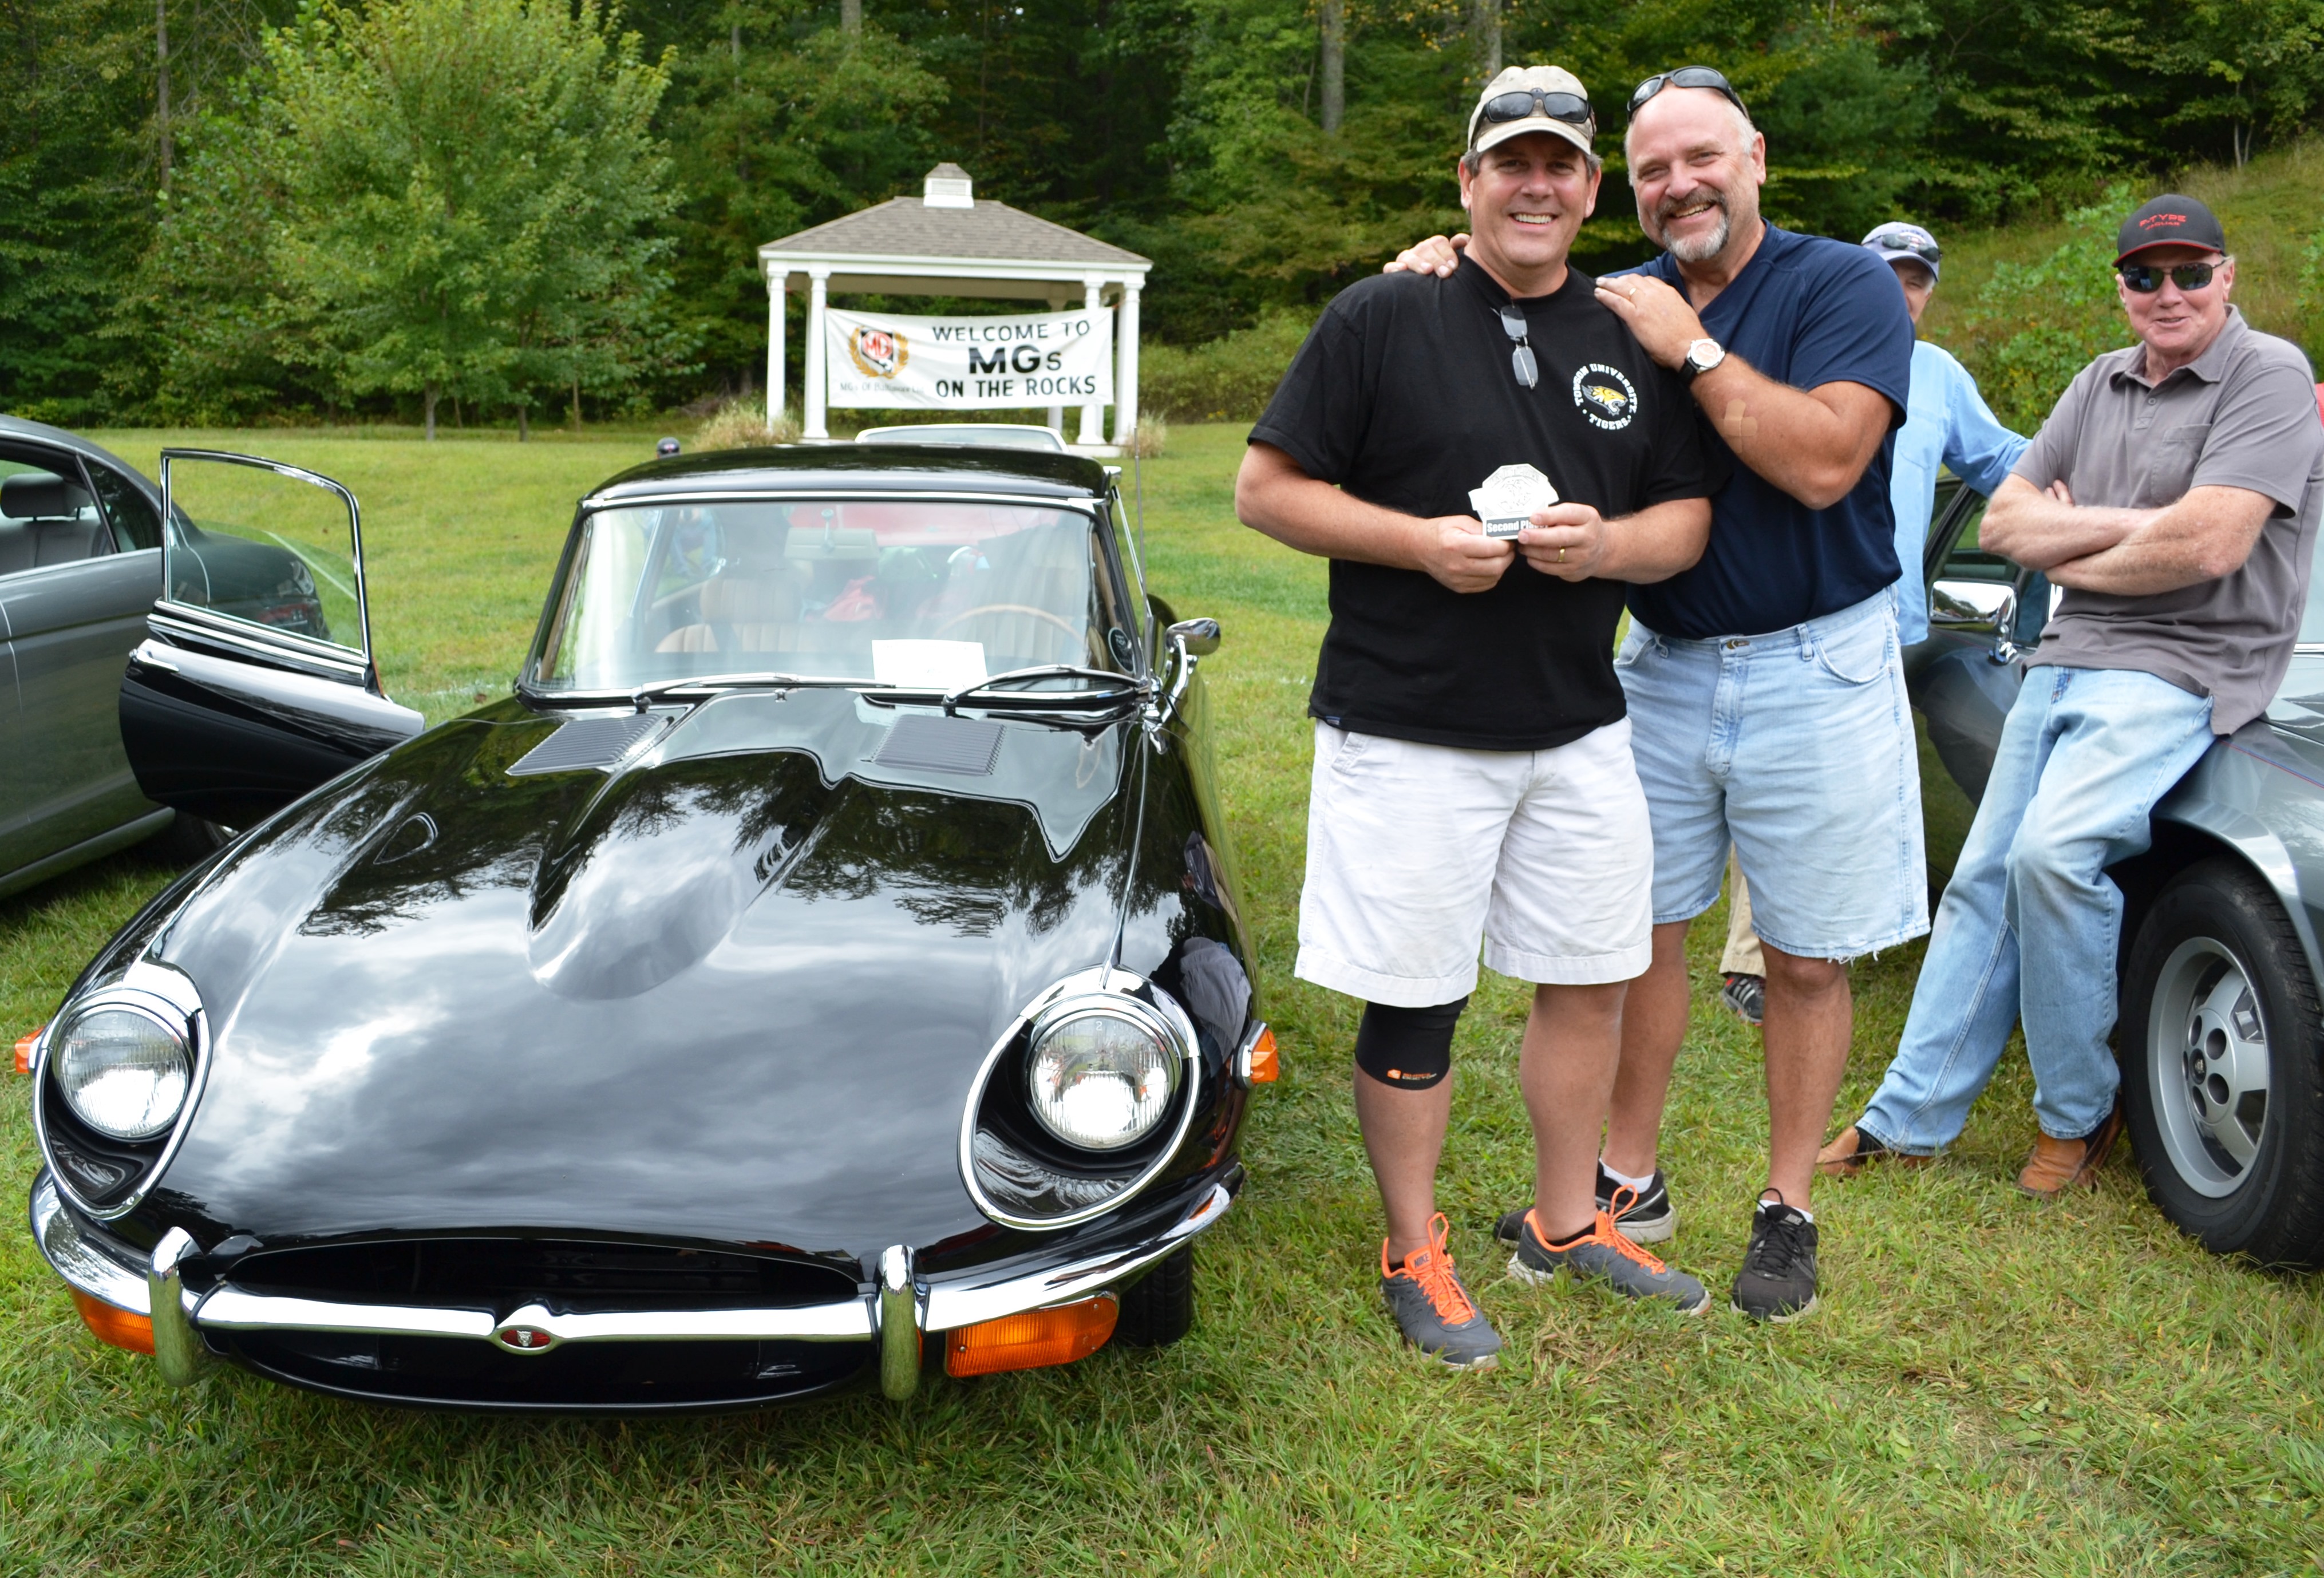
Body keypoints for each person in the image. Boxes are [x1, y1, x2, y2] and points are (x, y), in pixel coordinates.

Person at [1389, 65, 1919, 1322]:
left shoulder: (1840, 284)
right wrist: (1433, 269)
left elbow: (1825, 462)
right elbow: (1501, 316)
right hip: (1663, 662)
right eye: (1651, 171)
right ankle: (1628, 1179)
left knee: (1803, 955)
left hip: (1817, 662)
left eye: (1701, 158)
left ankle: (1787, 1204)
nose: (1679, 184)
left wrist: (1691, 347)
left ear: (1756, 157)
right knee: (1633, 937)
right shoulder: (1612, 297)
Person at [1236, 65, 1726, 1367]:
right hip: (1409, 725)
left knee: (1590, 975)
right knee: (1419, 995)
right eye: (1511, 162)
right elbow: (1265, 490)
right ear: (1468, 182)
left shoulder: (1633, 330)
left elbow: (1684, 520)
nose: (1535, 186)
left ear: (1591, 189)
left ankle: (1563, 1222)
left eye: (1560, 165)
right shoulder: (1382, 312)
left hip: (1578, 724)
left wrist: (1604, 546)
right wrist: (1415, 542)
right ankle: (1414, 1245)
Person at [1818, 195, 2324, 1192]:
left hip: (2184, 663)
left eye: (2191, 272)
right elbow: (2005, 525)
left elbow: (2213, 544)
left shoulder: (2267, 374)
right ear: (2122, 288)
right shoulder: (2099, 382)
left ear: (2227, 277)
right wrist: (2143, 526)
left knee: (2052, 856)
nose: (2168, 292)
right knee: (1983, 879)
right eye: (2145, 275)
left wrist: (2079, 536)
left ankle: (2079, 1114)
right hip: (2063, 654)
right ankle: (1909, 1114)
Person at [1718, 222, 2030, 1027]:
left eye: (1916, 279)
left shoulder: (1939, 375)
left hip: (1895, 619)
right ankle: (1752, 960)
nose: (1900, 291)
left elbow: (2001, 461)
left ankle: (1847, 930)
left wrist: (2100, 467)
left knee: (1848, 788)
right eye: (1885, 273)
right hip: (1800, 611)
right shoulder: (1802, 355)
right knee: (1785, 782)